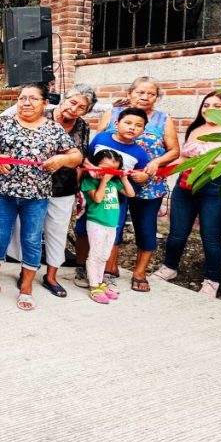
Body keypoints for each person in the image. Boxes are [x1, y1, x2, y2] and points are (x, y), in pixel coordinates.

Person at [0, 83, 81, 311]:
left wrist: (62, 160)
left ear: (45, 104)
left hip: (37, 195)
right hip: (4, 192)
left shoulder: (54, 129)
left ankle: (27, 287)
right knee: (0, 236)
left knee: (32, 239)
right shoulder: (2, 124)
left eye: (33, 99)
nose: (26, 103)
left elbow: (76, 156)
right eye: (22, 98)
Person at [3, 86, 96, 297]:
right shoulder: (39, 112)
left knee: (57, 231)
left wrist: (79, 181)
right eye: (72, 102)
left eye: (82, 107)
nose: (74, 109)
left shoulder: (82, 126)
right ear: (64, 99)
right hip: (31, 185)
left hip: (62, 187)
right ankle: (25, 272)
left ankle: (51, 276)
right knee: (28, 233)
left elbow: (80, 156)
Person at [150, 92, 221, 297]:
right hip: (185, 187)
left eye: (217, 106)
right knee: (177, 232)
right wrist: (160, 171)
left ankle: (212, 280)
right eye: (205, 104)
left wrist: (208, 166)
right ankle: (170, 267)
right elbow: (184, 160)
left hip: (216, 189)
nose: (209, 109)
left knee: (210, 236)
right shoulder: (195, 130)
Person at [96, 77, 179, 292]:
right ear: (130, 93)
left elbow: (174, 151)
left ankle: (140, 272)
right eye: (140, 92)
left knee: (145, 228)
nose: (144, 97)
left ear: (157, 97)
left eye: (150, 94)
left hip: (149, 183)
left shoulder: (163, 120)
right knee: (112, 224)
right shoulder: (113, 115)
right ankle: (110, 267)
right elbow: (100, 141)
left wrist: (154, 163)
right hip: (114, 183)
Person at [74, 108, 152, 294]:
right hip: (91, 198)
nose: (132, 128)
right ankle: (82, 268)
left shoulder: (140, 152)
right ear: (116, 123)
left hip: (116, 199)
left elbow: (141, 175)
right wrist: (92, 170)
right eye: (128, 123)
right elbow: (86, 157)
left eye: (138, 125)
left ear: (143, 130)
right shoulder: (101, 139)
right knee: (82, 231)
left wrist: (141, 176)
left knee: (110, 235)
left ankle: (102, 276)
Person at [82, 150, 135, 304]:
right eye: (105, 168)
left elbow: (130, 194)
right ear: (95, 165)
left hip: (112, 224)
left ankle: (100, 282)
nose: (109, 173)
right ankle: (93, 286)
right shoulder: (90, 181)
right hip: (96, 223)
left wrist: (124, 178)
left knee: (105, 255)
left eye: (113, 170)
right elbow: (98, 198)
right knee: (95, 255)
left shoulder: (115, 182)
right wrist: (104, 180)